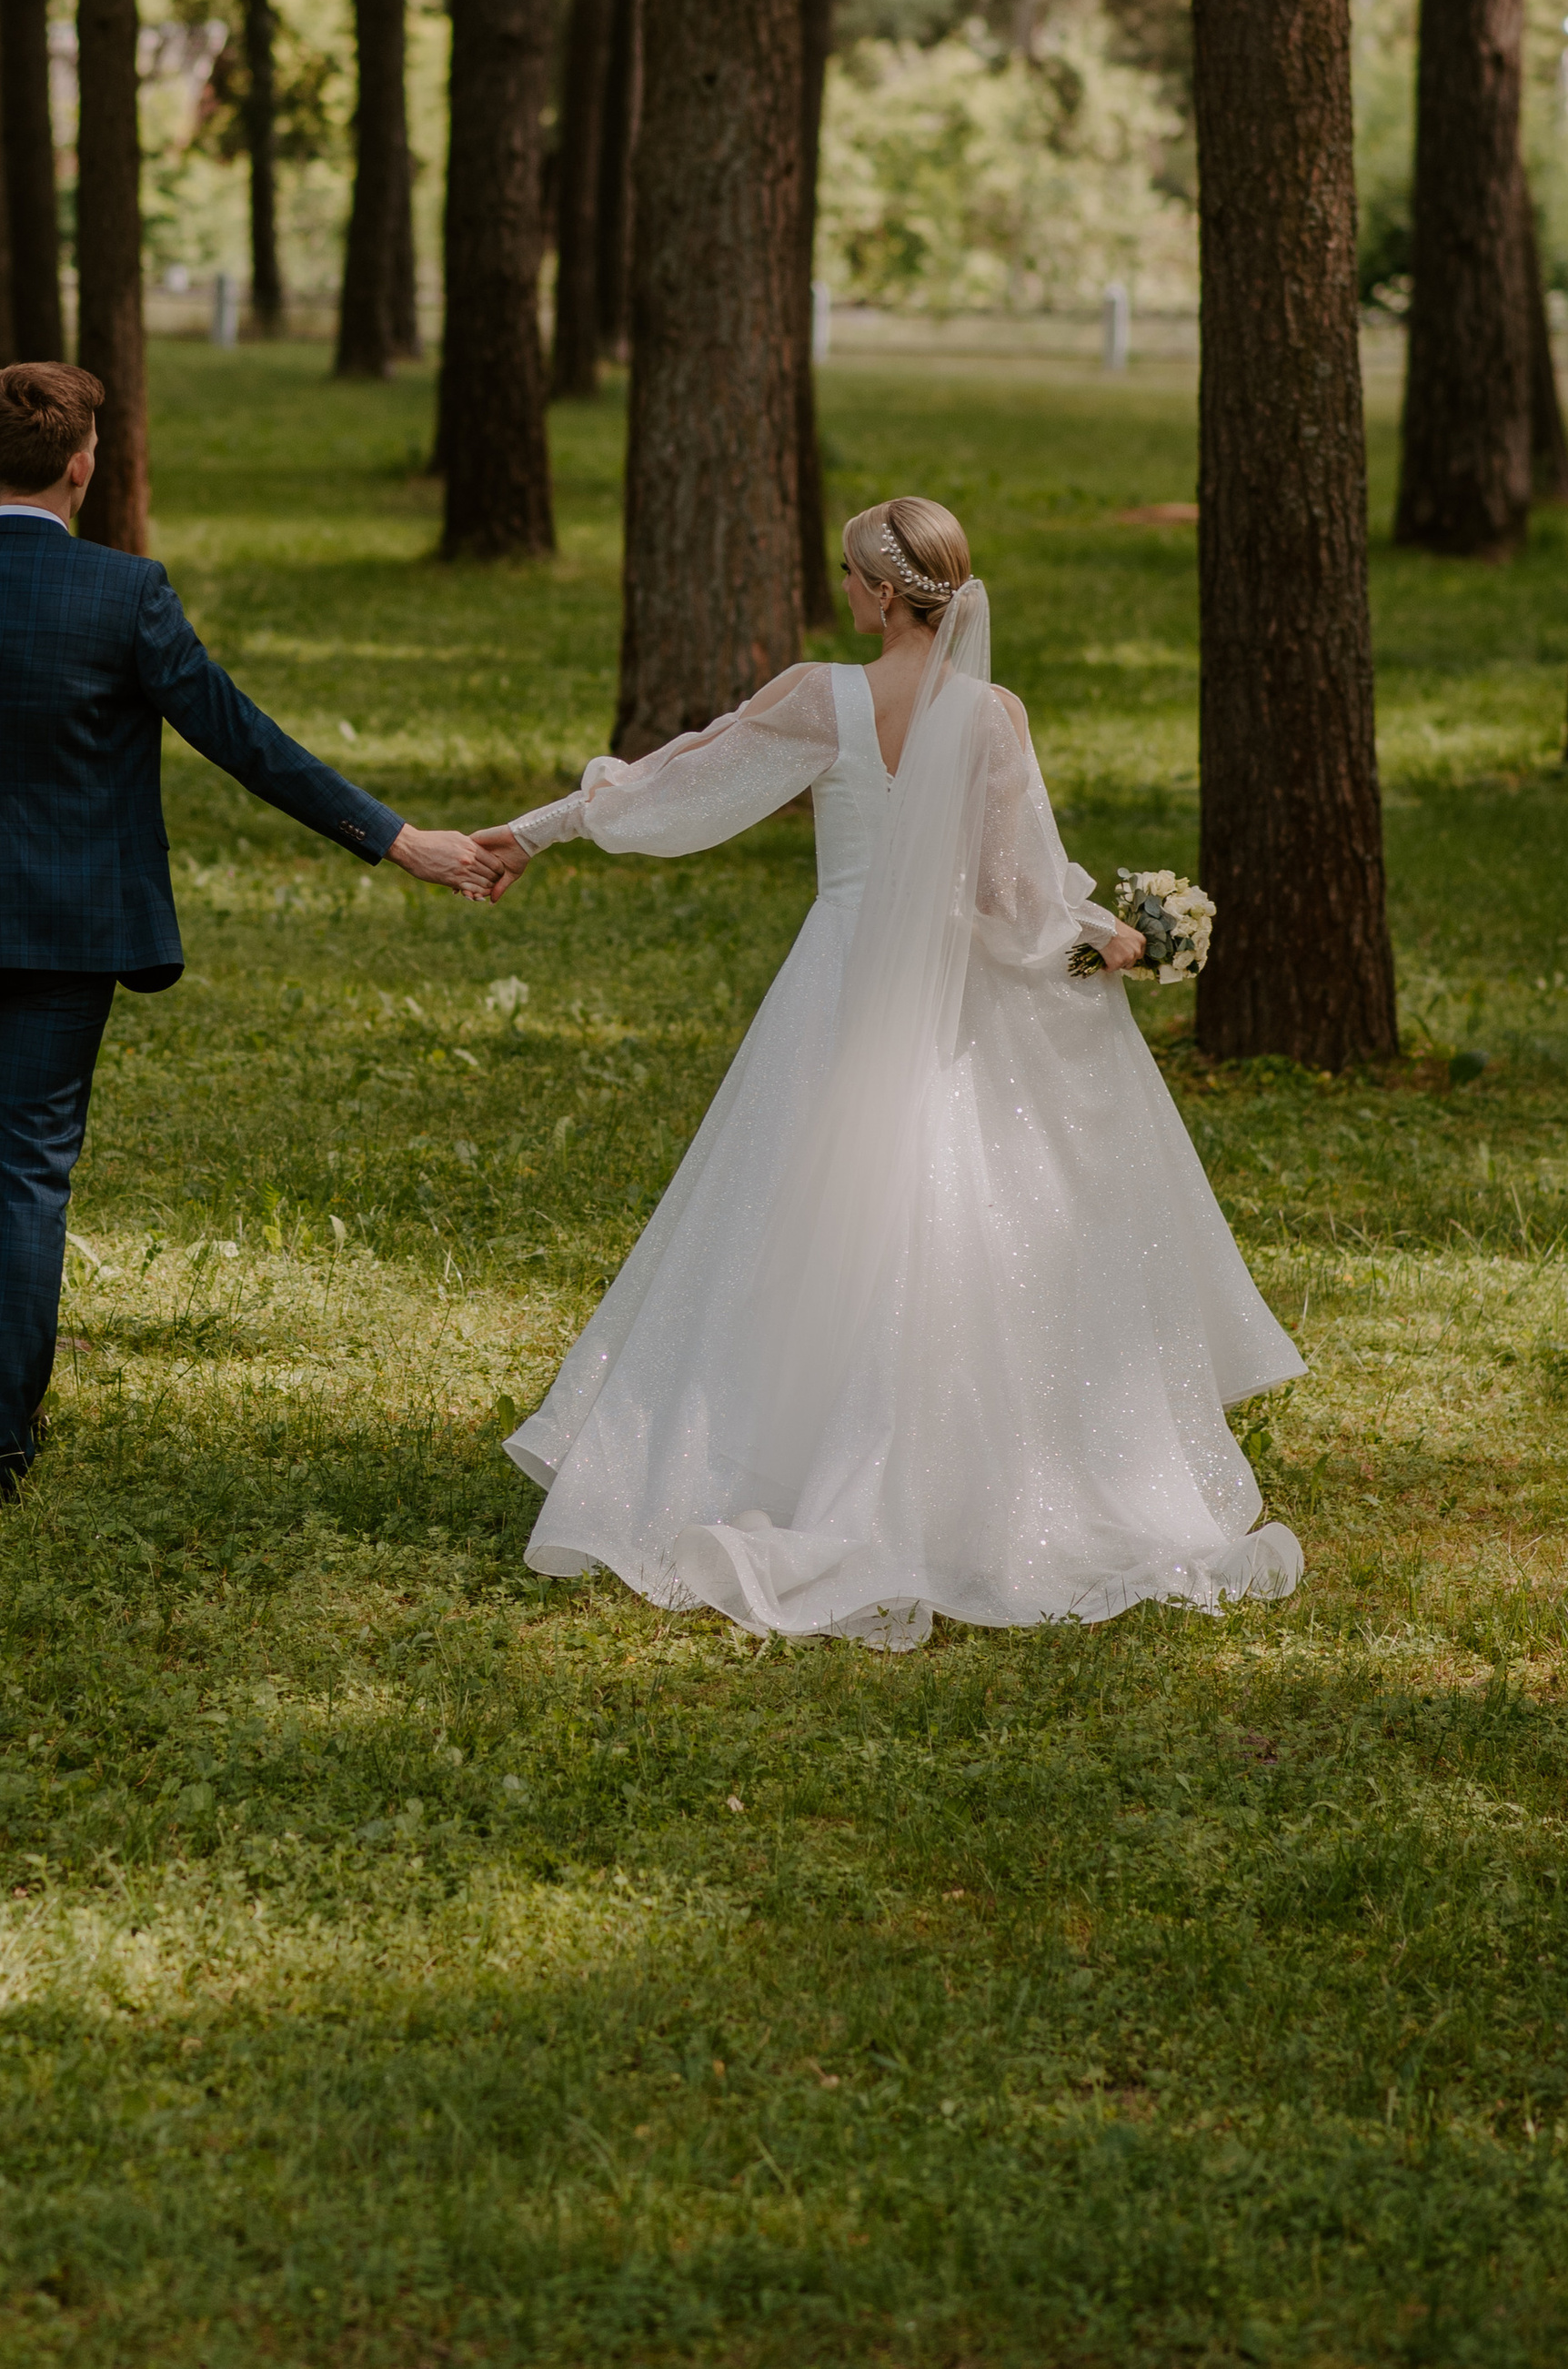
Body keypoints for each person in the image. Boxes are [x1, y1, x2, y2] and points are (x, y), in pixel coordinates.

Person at [469, 495, 1305, 1650]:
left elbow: (682, 779)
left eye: (847, 579)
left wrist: (538, 830)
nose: (842, 594)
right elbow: (1017, 897)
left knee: (794, 1213)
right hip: (958, 992)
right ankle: (978, 1476)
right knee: (967, 1212)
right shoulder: (992, 714)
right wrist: (1108, 935)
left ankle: (762, 1453)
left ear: (875, 591)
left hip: (842, 979)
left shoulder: (821, 697)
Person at [0, 359, 496, 1509]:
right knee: (26, 1167)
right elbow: (244, 739)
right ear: (85, 465)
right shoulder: (125, 593)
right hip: (74, 931)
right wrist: (397, 839)